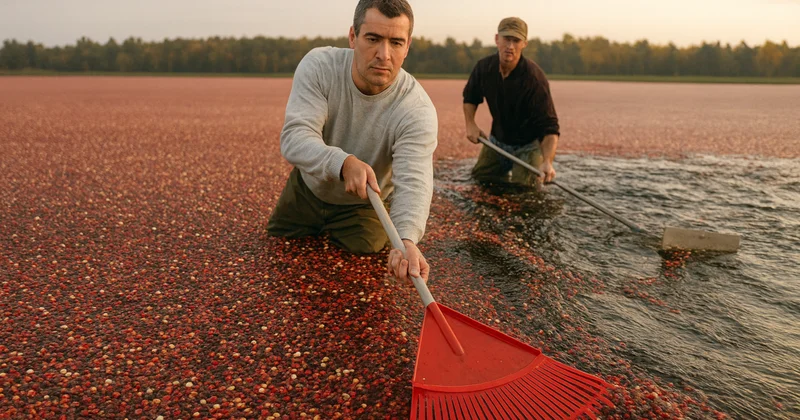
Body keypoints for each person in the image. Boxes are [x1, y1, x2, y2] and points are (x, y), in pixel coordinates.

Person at [268, 0, 438, 283]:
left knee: (366, 250)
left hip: (366, 203)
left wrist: (406, 240)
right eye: (373, 39)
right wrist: (343, 162)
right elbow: (295, 136)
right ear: (352, 37)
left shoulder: (416, 109)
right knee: (277, 241)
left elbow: (415, 179)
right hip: (308, 188)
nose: (384, 54)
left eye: (396, 42)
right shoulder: (320, 66)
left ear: (407, 47)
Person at [463, 17, 560, 185]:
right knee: (480, 180)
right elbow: (471, 97)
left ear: (524, 44)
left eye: (516, 40)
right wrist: (470, 123)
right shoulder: (484, 68)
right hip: (497, 142)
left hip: (527, 147)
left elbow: (550, 127)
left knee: (522, 191)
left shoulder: (534, 79)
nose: (510, 46)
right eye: (506, 39)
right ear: (497, 39)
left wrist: (547, 162)